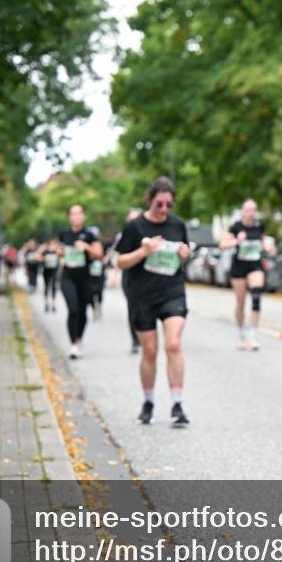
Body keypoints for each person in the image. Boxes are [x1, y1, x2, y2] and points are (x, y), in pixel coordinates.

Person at [116, 177, 192, 426]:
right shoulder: (135, 227)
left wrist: (185, 255)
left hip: (172, 291)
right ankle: (148, 402)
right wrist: (144, 252)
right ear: (149, 200)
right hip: (142, 296)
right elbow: (120, 262)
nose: (164, 209)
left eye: (169, 204)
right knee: (149, 351)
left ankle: (177, 404)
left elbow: (185, 253)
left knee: (173, 344)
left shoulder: (177, 225)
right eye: (159, 204)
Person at [218, 199, 276, 350]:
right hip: (239, 267)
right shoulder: (236, 227)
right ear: (243, 211)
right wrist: (237, 241)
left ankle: (253, 335)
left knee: (256, 296)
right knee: (241, 303)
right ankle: (240, 334)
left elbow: (264, 241)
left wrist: (269, 248)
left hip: (255, 265)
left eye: (253, 210)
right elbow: (222, 244)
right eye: (248, 210)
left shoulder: (258, 226)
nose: (250, 213)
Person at [57, 205, 103, 359]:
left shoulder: (89, 235)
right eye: (73, 214)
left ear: (84, 216)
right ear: (69, 217)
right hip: (68, 276)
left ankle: (78, 339)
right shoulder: (64, 234)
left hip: (84, 277)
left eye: (79, 214)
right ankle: (73, 344)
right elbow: (59, 252)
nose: (76, 217)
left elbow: (99, 253)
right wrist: (60, 253)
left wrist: (86, 247)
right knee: (73, 310)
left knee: (82, 311)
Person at [111, 209, 143, 353]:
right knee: (133, 307)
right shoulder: (123, 235)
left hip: (146, 276)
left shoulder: (149, 234)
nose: (133, 222)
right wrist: (114, 275)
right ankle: (135, 339)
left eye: (136, 219)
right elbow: (118, 257)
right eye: (130, 219)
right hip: (129, 275)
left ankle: (146, 335)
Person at [36, 238, 61, 312]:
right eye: (52, 244)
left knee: (54, 287)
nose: (53, 245)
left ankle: (53, 304)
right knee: (46, 287)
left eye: (54, 244)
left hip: (54, 271)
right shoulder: (45, 251)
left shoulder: (57, 251)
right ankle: (46, 303)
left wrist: (57, 249)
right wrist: (43, 258)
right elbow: (36, 256)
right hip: (46, 271)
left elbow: (62, 255)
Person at [87, 226, 106, 319]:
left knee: (99, 291)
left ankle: (99, 305)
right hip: (89, 273)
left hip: (99, 271)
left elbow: (104, 256)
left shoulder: (101, 245)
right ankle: (94, 309)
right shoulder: (85, 245)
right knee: (90, 292)